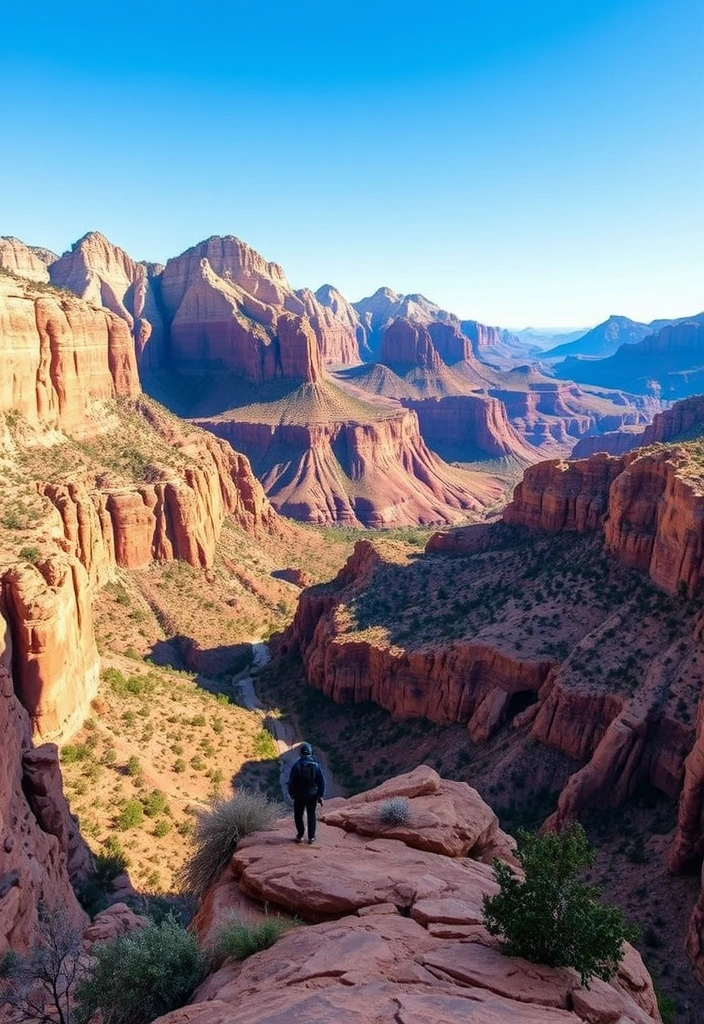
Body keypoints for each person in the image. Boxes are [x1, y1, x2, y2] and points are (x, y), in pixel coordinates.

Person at [287, 742, 326, 844]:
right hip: (312, 795)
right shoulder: (316, 766)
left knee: (298, 815)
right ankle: (311, 837)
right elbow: (321, 783)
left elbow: (291, 783)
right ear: (310, 753)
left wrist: (292, 795)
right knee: (311, 815)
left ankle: (300, 835)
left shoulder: (296, 766)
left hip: (299, 796)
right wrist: (320, 796)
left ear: (301, 753)